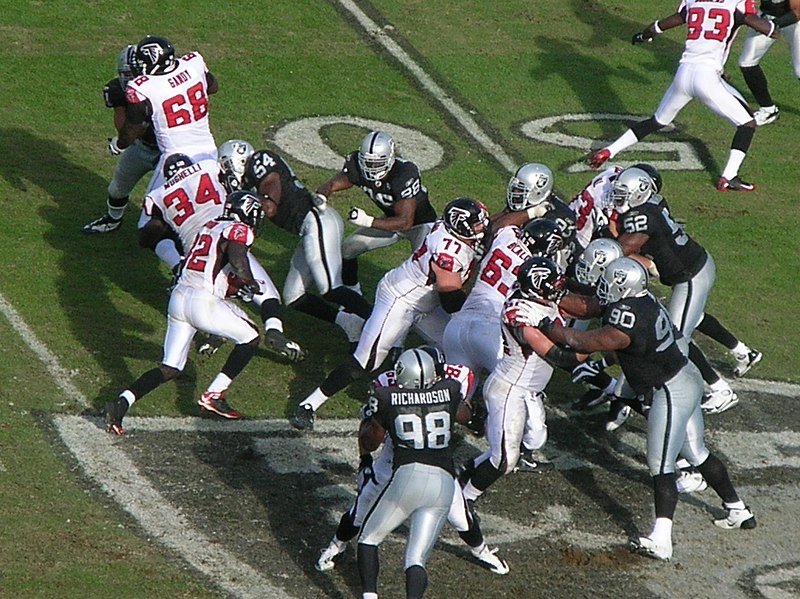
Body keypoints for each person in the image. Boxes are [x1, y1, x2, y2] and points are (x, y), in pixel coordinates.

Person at [538, 257, 756, 561]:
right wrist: (557, 297)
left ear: (621, 286)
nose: (602, 287)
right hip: (684, 376)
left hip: (670, 389)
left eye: (608, 282)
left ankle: (662, 539)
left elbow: (581, 340)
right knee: (696, 452)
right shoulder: (641, 299)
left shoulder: (626, 320)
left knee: (661, 465)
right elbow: (594, 307)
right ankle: (738, 510)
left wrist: (545, 324)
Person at [289, 198, 490, 431]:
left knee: (458, 347)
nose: (481, 227)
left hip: (424, 303)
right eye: (476, 224)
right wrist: (474, 310)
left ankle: (457, 407)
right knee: (366, 361)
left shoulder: (454, 234)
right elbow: (450, 300)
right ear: (461, 226)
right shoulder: (448, 252)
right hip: (399, 299)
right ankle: (307, 405)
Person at [315, 347, 509, 576]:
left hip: (424, 461)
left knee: (460, 516)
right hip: (404, 459)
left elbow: (370, 430)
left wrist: (365, 459)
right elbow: (374, 427)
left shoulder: (391, 387)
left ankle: (481, 551)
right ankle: (336, 546)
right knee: (362, 507)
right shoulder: (445, 383)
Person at [104, 191, 267, 433]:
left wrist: (237, 284)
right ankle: (214, 395)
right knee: (251, 336)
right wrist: (250, 282)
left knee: (170, 368)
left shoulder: (210, 225)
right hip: (202, 301)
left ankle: (121, 403)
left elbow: (214, 265)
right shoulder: (239, 229)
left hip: (179, 298)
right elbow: (237, 258)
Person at [609, 166, 761, 413]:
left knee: (674, 338)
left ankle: (720, 389)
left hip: (690, 275)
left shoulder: (641, 216)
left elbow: (624, 246)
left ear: (639, 192)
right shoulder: (652, 205)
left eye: (623, 193)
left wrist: (607, 242)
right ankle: (742, 352)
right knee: (689, 319)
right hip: (693, 269)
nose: (618, 198)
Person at [588, 2, 779, 191]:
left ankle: (608, 150)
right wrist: (771, 24)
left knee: (657, 120)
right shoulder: (736, 3)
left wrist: (643, 36)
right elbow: (770, 30)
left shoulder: (693, 2)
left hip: (684, 74)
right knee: (747, 123)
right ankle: (729, 177)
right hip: (707, 78)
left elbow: (660, 25)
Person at [140, 153, 304, 361]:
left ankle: (215, 332)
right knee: (266, 292)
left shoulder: (159, 195)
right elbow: (233, 185)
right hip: (227, 233)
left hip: (197, 251)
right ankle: (274, 330)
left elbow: (149, 234)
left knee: (209, 289)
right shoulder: (208, 166)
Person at [220, 141, 373, 345]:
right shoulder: (251, 177)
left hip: (316, 221)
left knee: (331, 288)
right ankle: (348, 323)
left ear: (237, 159)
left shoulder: (259, 161)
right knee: (293, 296)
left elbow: (269, 207)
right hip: (307, 229)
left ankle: (379, 325)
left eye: (227, 165)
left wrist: (243, 195)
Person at [442, 218, 565, 471]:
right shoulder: (536, 272)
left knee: (451, 396)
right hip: (491, 332)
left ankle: (429, 437)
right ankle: (526, 447)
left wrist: (530, 211)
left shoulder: (507, 235)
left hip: (457, 326)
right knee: (519, 385)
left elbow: (501, 225)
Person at [355, 347, 475, 599]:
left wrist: (371, 420)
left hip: (408, 475)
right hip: (443, 484)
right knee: (416, 559)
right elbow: (465, 416)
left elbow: (372, 441)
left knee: (368, 539)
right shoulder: (451, 389)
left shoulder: (386, 396)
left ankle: (369, 596)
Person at [459, 256, 569, 505]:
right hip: (510, 389)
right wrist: (589, 352)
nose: (557, 286)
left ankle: (468, 470)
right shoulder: (519, 312)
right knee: (505, 461)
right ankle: (465, 500)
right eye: (552, 282)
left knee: (534, 440)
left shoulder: (541, 299)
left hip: (529, 389)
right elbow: (556, 354)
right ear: (538, 285)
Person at [315, 130, 437, 294]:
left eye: (376, 163)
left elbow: (406, 222)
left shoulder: (404, 173)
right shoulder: (357, 166)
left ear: (390, 157)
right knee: (348, 249)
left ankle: (431, 312)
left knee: (423, 272)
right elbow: (331, 184)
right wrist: (321, 196)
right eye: (367, 162)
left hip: (421, 225)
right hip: (390, 221)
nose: (371, 168)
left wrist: (367, 221)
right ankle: (353, 292)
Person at [117, 35, 219, 195]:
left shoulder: (142, 87)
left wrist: (118, 144)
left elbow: (133, 128)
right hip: (208, 151)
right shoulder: (193, 64)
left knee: (154, 204)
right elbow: (213, 87)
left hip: (174, 155)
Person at [83, 43, 161, 234]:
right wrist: (124, 140)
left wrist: (120, 143)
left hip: (168, 150)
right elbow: (122, 121)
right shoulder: (118, 89)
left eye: (132, 72)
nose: (128, 78)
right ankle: (113, 220)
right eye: (125, 73)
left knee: (163, 199)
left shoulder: (162, 88)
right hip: (140, 146)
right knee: (117, 188)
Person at [739, 0, 800, 126]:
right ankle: (768, 110)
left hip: (795, 21)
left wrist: (772, 25)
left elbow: (797, 12)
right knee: (747, 62)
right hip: (767, 16)